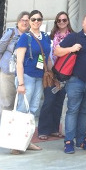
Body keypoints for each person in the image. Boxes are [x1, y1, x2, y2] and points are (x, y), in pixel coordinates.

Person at [55, 12, 86, 154]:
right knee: (72, 111)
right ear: (83, 23)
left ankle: (81, 140)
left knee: (84, 113)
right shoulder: (74, 37)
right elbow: (57, 51)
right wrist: (71, 48)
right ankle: (69, 141)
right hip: (75, 80)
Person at [13, 10, 52, 154]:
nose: (36, 22)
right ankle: (16, 144)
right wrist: (21, 83)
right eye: (33, 19)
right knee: (23, 110)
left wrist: (52, 73)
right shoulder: (25, 37)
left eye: (39, 19)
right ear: (29, 21)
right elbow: (19, 61)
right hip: (27, 76)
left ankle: (27, 141)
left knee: (33, 109)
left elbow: (47, 58)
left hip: (40, 77)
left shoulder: (46, 37)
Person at [37, 11, 74, 140]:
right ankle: (43, 129)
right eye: (59, 20)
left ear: (68, 21)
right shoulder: (50, 37)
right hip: (52, 72)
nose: (62, 22)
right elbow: (44, 53)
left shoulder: (73, 37)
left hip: (65, 74)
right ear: (56, 22)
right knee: (49, 101)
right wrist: (45, 68)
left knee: (59, 101)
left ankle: (53, 128)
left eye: (64, 20)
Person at [0, 11, 29, 117]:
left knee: (18, 104)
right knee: (6, 103)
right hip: (7, 72)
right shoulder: (11, 33)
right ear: (18, 21)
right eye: (23, 20)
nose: (25, 22)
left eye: (27, 20)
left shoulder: (30, 36)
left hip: (22, 75)